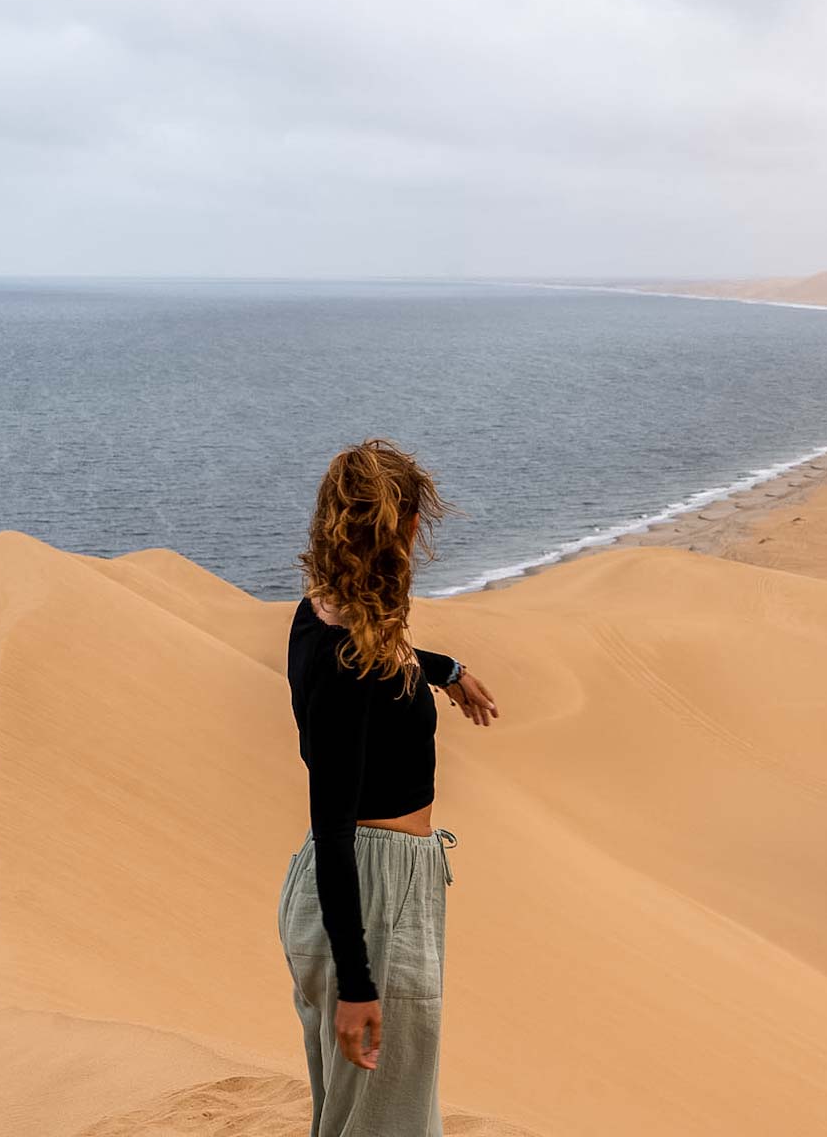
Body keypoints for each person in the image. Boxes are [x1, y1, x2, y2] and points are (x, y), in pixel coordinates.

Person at [277, 437, 500, 1137]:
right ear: (399, 530)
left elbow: (384, 663)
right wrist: (357, 983)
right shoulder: (351, 662)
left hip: (353, 894)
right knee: (386, 1125)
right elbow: (333, 825)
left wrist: (446, 669)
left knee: (355, 1120)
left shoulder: (323, 616)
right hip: (372, 899)